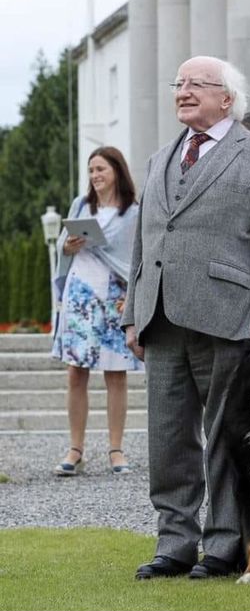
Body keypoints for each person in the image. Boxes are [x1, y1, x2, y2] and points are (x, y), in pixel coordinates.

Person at [122, 56, 250, 580]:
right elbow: (145, 240)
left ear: (228, 98)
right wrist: (132, 312)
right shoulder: (158, 159)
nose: (183, 91)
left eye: (197, 83)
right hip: (160, 316)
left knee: (223, 436)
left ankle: (223, 543)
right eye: (178, 83)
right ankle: (174, 542)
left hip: (231, 317)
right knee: (168, 438)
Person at [52, 146, 141, 477]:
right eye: (91, 170)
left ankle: (116, 449)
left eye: (100, 169)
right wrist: (68, 245)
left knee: (115, 373)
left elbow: (136, 255)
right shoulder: (81, 204)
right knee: (76, 371)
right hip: (81, 294)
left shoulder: (133, 211)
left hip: (115, 295)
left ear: (116, 170)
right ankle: (75, 448)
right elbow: (63, 245)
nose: (95, 176)